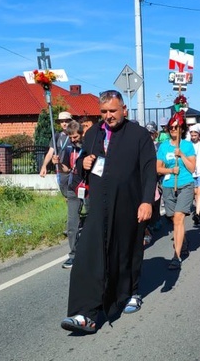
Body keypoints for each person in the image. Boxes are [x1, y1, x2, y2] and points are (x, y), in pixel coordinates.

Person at [60, 91, 156, 334]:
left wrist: (147, 201)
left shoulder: (139, 135)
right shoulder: (93, 133)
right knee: (88, 256)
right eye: (104, 112)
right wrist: (83, 164)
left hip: (129, 203)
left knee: (127, 250)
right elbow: (82, 165)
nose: (108, 116)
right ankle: (85, 313)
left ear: (124, 108)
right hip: (98, 207)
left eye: (112, 111)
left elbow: (148, 171)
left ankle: (132, 292)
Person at [156, 113, 196, 270]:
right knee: (173, 219)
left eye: (176, 127)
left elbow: (192, 168)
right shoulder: (164, 146)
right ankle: (183, 241)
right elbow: (158, 168)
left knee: (179, 218)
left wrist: (182, 155)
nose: (173, 129)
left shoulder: (187, 145)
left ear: (182, 128)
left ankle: (176, 256)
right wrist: (171, 169)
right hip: (168, 186)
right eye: (171, 127)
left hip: (185, 184)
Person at [52, 120, 85, 269]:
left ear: (81, 134)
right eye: (71, 138)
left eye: (75, 137)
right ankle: (73, 254)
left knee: (93, 220)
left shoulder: (90, 148)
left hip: (90, 188)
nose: (73, 140)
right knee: (72, 224)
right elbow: (67, 169)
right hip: (74, 188)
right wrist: (58, 163)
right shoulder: (69, 149)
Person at [40, 111, 73, 189]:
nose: (64, 124)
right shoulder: (56, 136)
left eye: (66, 121)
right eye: (62, 121)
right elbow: (50, 152)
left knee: (73, 196)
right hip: (61, 171)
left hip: (72, 171)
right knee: (65, 195)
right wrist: (44, 166)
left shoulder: (74, 136)